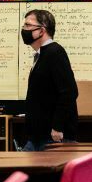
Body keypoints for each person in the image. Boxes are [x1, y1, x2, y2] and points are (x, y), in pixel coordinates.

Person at [19, 8, 78, 150]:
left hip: (52, 137)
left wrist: (57, 127)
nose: (24, 29)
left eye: (28, 25)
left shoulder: (55, 52)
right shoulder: (43, 55)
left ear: (42, 30)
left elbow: (69, 92)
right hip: (38, 136)